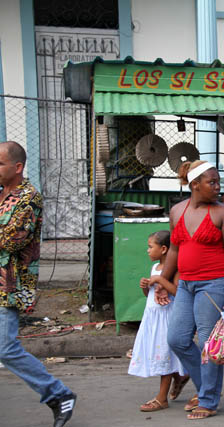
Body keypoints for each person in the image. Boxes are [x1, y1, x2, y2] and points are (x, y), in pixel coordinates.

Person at [157, 160, 224, 420]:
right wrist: (163, 280)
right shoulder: (176, 211)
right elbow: (174, 249)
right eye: (212, 182)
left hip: (214, 284)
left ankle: (208, 399)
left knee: (208, 343)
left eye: (218, 182)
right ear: (195, 185)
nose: (218, 187)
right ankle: (206, 387)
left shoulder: (223, 213)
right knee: (177, 339)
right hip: (185, 284)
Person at [0, 141, 77, 427]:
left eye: (0, 164)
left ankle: (59, 394)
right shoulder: (1, 195)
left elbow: (10, 239)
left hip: (8, 285)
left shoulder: (28, 198)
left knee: (6, 349)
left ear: (17, 167)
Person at [128, 230, 189, 412]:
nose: (147, 250)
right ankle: (179, 376)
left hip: (167, 319)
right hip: (152, 319)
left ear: (163, 249)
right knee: (160, 355)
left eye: (150, 247)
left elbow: (178, 292)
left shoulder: (175, 269)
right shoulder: (155, 268)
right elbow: (151, 295)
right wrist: (146, 287)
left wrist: (160, 279)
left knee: (164, 356)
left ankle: (161, 399)